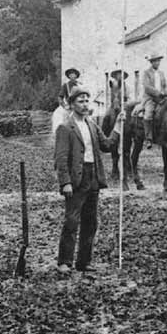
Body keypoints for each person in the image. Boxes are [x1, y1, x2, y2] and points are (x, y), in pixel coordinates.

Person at [53, 88, 117, 275]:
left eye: (87, 101)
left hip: (93, 176)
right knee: (72, 221)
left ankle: (84, 261)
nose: (85, 104)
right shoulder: (65, 127)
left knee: (91, 222)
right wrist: (65, 182)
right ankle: (64, 261)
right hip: (76, 179)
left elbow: (107, 145)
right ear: (72, 104)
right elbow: (61, 158)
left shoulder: (92, 125)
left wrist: (118, 128)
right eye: (81, 101)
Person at [141, 54, 167, 145]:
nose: (158, 63)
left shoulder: (161, 73)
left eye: (159, 61)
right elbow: (147, 87)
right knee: (148, 113)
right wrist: (157, 93)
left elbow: (165, 85)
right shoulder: (146, 73)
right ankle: (148, 138)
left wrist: (166, 91)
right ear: (151, 62)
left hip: (161, 98)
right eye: (155, 61)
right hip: (150, 98)